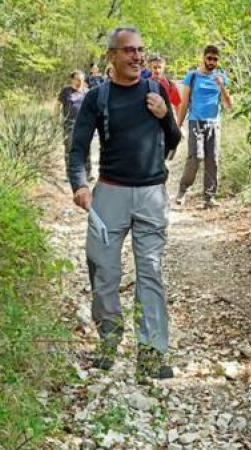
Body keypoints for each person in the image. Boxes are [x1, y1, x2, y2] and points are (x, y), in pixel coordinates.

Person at [67, 27, 181, 379]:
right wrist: (80, 185)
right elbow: (78, 148)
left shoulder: (155, 90)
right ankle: (109, 340)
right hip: (110, 194)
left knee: (151, 273)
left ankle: (151, 353)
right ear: (112, 56)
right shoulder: (97, 97)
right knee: (103, 271)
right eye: (129, 51)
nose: (137, 57)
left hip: (151, 195)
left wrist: (165, 116)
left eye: (141, 50)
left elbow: (174, 140)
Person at [175, 45, 233, 208]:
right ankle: (183, 189)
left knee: (212, 159)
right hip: (195, 121)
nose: (212, 62)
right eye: (209, 58)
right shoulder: (192, 76)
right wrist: (178, 126)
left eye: (215, 59)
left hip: (214, 123)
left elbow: (229, 105)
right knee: (196, 157)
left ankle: (209, 197)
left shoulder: (221, 77)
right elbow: (184, 102)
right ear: (203, 58)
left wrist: (222, 86)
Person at [56, 70, 90, 176]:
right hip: (69, 123)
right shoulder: (66, 91)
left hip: (84, 124)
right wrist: (55, 119)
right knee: (70, 148)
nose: (80, 82)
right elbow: (57, 105)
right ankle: (70, 173)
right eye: (77, 79)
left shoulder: (87, 91)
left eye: (82, 79)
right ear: (73, 79)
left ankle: (87, 173)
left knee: (86, 148)